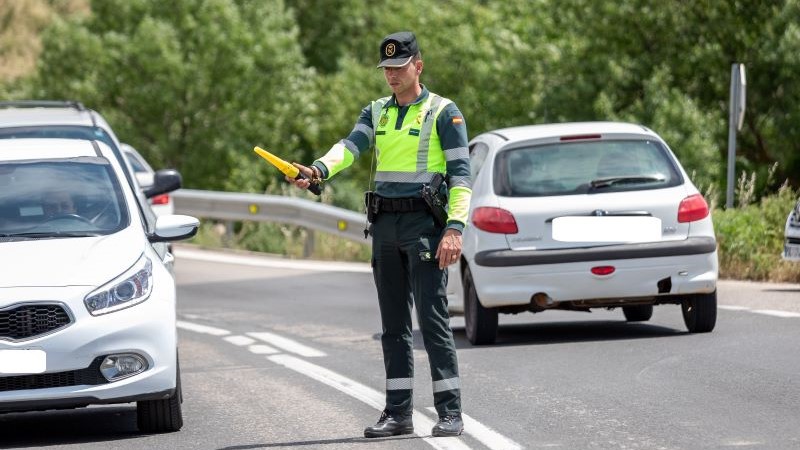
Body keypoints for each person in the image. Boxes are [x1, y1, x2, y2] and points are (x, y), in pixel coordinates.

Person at [286, 31, 471, 438]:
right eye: (386, 68)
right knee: (393, 327)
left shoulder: (444, 112)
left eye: (398, 67)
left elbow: (461, 176)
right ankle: (399, 413)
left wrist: (454, 229)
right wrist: (318, 170)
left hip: (426, 227)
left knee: (433, 321)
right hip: (385, 225)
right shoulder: (376, 112)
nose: (391, 75)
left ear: (417, 66)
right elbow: (350, 147)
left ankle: (451, 412)